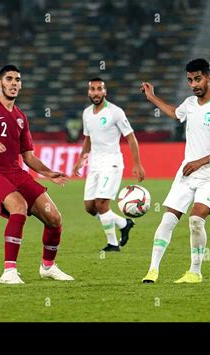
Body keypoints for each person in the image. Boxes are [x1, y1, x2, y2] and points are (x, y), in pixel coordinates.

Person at [0, 65, 74, 284]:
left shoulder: (21, 117)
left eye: (17, 80)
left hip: (15, 172)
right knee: (18, 206)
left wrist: (49, 173)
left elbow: (29, 157)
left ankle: (48, 267)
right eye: (9, 79)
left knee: (54, 217)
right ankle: (9, 271)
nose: (14, 83)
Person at [140, 58, 210, 284]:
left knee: (195, 221)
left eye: (198, 79)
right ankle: (152, 271)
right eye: (190, 80)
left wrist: (201, 162)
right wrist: (152, 97)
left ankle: (195, 272)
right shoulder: (190, 104)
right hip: (187, 173)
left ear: (208, 77)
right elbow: (176, 113)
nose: (193, 84)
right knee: (167, 220)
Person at [73, 78, 145, 252]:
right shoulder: (86, 113)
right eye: (93, 89)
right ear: (88, 92)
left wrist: (137, 164)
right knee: (90, 207)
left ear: (105, 92)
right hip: (95, 165)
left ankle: (113, 244)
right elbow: (88, 139)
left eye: (99, 89)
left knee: (102, 204)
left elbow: (130, 137)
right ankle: (124, 223)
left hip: (111, 163)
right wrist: (80, 160)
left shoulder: (115, 112)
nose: (96, 92)